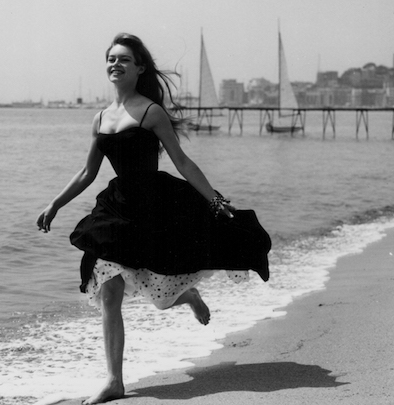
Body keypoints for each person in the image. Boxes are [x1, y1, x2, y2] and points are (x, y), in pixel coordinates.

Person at [36, 33, 271, 404]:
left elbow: (182, 162)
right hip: (115, 208)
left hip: (153, 207)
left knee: (158, 294)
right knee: (109, 290)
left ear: (139, 67)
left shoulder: (151, 112)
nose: (116, 64)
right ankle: (115, 381)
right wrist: (55, 204)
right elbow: (87, 173)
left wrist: (215, 200)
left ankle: (188, 295)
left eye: (124, 59)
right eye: (111, 59)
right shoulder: (100, 118)